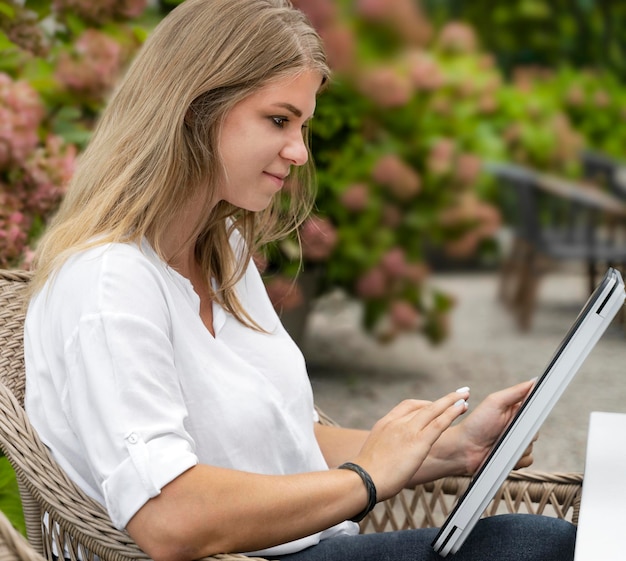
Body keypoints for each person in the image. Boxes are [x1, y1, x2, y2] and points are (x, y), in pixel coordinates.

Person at [23, 0, 576, 560]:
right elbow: (169, 518)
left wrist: (454, 448)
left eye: (303, 125)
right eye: (279, 120)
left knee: (553, 542)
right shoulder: (108, 283)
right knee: (537, 546)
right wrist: (366, 480)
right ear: (195, 110)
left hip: (303, 548)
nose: (299, 150)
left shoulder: (224, 255)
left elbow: (290, 440)